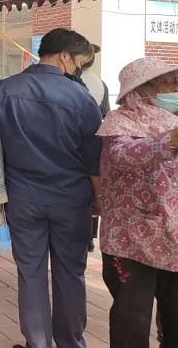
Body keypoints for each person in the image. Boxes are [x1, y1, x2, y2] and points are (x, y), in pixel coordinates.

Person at [0, 28, 102, 348]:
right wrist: (98, 198)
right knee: (70, 275)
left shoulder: (2, 90)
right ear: (64, 56)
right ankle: (71, 343)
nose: (79, 71)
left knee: (30, 273)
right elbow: (95, 157)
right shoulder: (81, 97)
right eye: (80, 64)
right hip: (72, 200)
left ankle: (38, 342)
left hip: (23, 198)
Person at [95, 57, 178, 348]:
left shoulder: (174, 118)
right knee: (132, 317)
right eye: (170, 82)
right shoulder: (119, 121)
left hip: (173, 235)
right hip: (132, 238)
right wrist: (168, 143)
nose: (176, 88)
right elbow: (123, 156)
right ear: (143, 88)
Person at [78, 44, 110, 252]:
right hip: (94, 142)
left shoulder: (70, 81)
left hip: (73, 144)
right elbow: (105, 113)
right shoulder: (100, 83)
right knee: (93, 185)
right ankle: (89, 236)